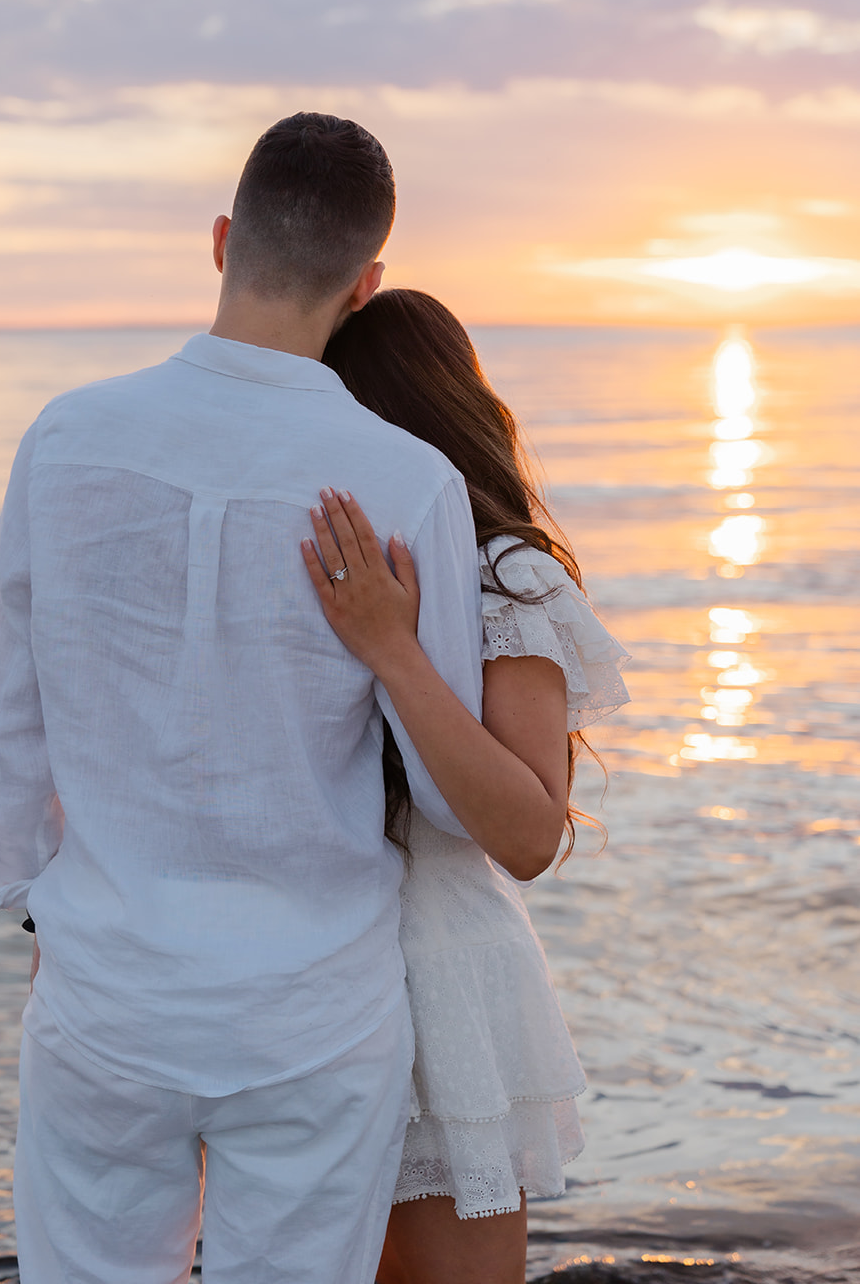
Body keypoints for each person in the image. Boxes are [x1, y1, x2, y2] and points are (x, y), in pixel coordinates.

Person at [0, 114, 508, 1284]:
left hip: (105, 988)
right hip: (313, 1011)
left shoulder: (63, 439)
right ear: (364, 284)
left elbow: (15, 716)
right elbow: (446, 794)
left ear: (220, 239)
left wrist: (34, 908)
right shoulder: (406, 482)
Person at [301, 288, 630, 1284]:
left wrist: (392, 652)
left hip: (440, 987)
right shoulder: (309, 558)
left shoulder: (505, 579)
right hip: (301, 977)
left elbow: (530, 834)